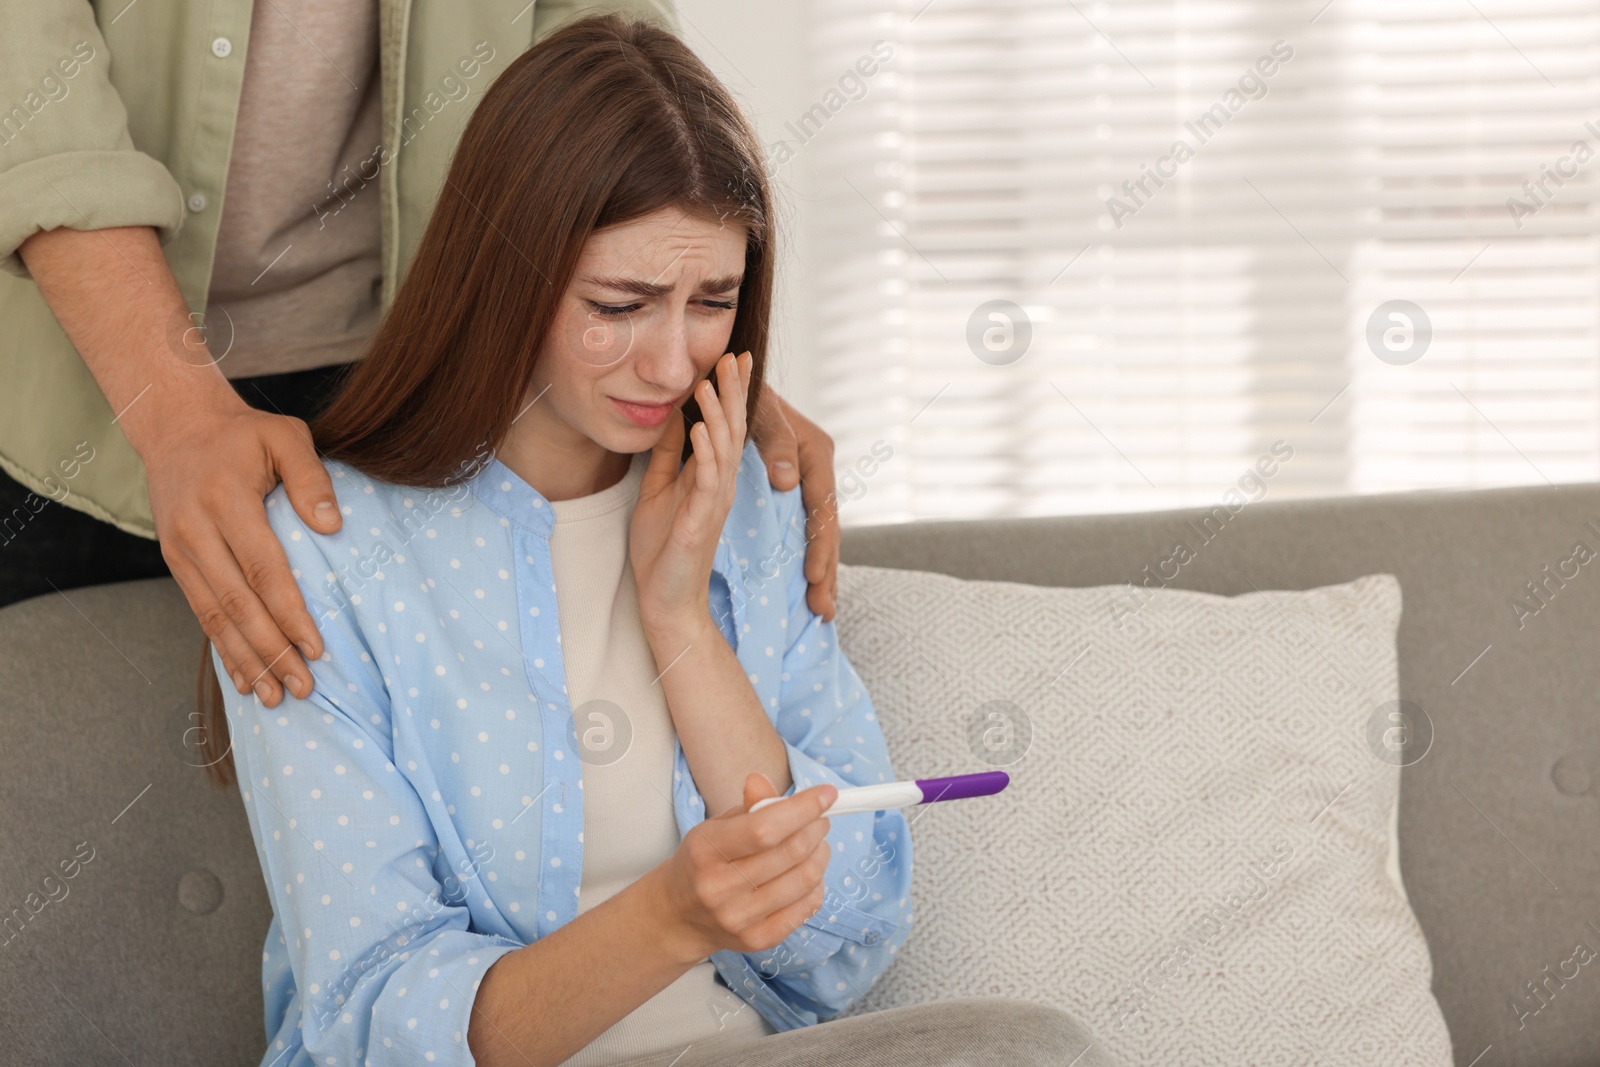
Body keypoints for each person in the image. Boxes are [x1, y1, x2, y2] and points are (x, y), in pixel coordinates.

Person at [198, 13, 1123, 1067]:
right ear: (508, 275)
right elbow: (375, 1015)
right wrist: (672, 916)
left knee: (1032, 1046)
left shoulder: (745, 502)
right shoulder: (325, 551)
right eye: (619, 303)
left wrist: (680, 612)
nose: (670, 362)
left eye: (712, 302)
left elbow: (849, 942)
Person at [0, 0, 842, 712]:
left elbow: (597, 40)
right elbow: (30, 80)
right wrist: (175, 410)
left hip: (411, 369)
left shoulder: (714, 479)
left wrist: (676, 316)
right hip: (80, 378)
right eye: (619, 305)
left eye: (715, 300)